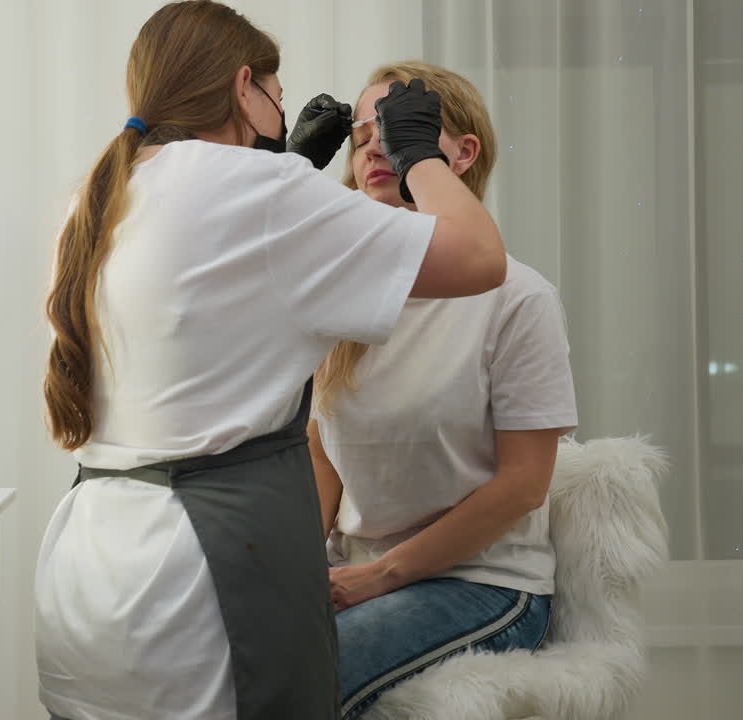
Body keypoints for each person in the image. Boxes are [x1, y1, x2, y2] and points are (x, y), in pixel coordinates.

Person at [35, 3, 507, 717]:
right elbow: (478, 257)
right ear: (244, 84)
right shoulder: (260, 191)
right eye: (277, 102)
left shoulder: (94, 198)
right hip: (196, 572)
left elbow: (210, 279)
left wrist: (283, 169)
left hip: (88, 563)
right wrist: (421, 158)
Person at [304, 60, 578, 719]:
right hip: (357, 574)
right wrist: (301, 567)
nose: (373, 143)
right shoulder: (344, 294)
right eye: (363, 130)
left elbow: (523, 486)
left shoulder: (519, 298)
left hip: (485, 585)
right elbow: (323, 456)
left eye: (398, 128)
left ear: (460, 151)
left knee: (304, 678)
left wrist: (378, 578)